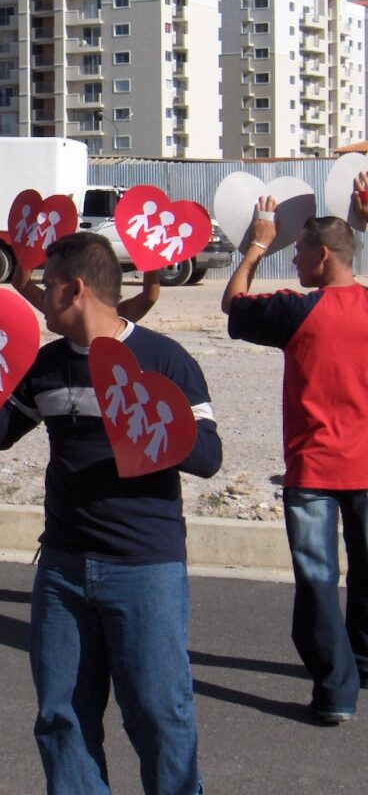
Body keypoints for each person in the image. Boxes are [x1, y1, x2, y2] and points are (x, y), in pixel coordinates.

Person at [0, 233, 221, 795]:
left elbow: (209, 457)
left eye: (47, 283)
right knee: (63, 717)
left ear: (75, 289)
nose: (39, 294)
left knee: (158, 715)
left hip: (144, 568)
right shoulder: (48, 363)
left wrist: (147, 418)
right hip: (61, 567)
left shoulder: (164, 358)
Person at [222, 193, 368, 725]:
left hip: (313, 472)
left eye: (300, 253)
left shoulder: (297, 310)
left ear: (323, 257)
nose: (295, 262)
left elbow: (232, 305)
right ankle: (364, 662)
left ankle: (335, 692)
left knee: (318, 581)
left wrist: (257, 245)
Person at [15, 264, 161, 324]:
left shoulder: (63, 309)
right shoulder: (63, 311)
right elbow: (21, 284)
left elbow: (149, 296)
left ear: (77, 290)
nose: (43, 296)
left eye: (48, 286)